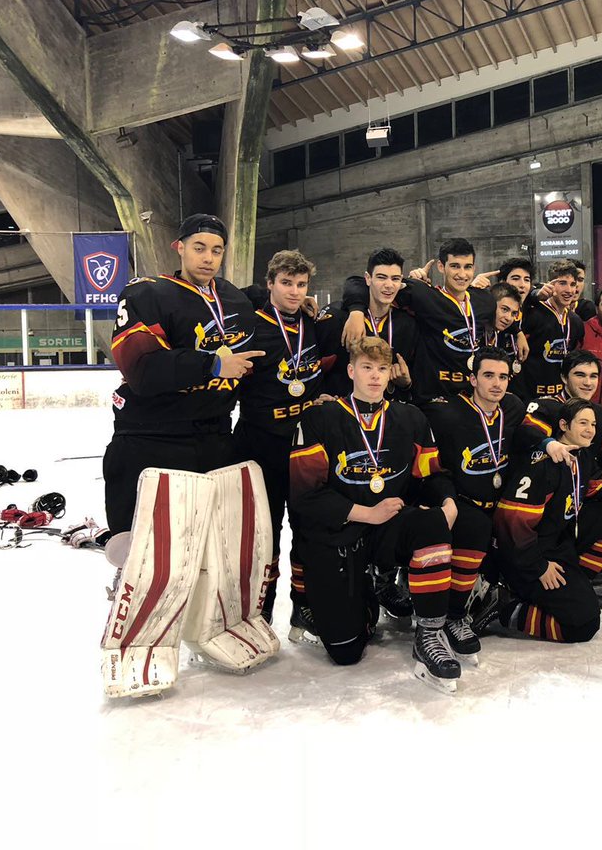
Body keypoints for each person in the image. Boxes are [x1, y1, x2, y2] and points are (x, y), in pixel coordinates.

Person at [288, 336, 466, 692]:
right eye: (366, 368)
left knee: (432, 522)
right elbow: (305, 495)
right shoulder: (320, 417)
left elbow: (430, 475)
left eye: (382, 369)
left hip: (388, 528)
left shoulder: (411, 417)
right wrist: (364, 512)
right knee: (346, 651)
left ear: (390, 375)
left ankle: (428, 634)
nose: (374, 376)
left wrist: (447, 501)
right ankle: (367, 596)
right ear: (351, 371)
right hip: (341, 535)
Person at [104, 213, 262, 537]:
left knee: (208, 548)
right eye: (199, 247)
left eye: (216, 250)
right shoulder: (147, 294)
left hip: (214, 437)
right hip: (151, 437)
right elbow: (141, 370)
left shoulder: (237, 299)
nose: (208, 258)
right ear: (179, 247)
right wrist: (212, 365)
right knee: (144, 549)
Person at [483, 399, 602, 642]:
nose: (590, 430)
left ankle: (574, 584)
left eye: (593, 424)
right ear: (563, 425)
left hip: (555, 546)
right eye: (583, 423)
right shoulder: (542, 464)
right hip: (524, 558)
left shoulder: (581, 456)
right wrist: (538, 567)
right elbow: (511, 523)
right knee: (583, 625)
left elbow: (597, 487)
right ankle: (505, 605)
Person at [234, 250, 339, 622]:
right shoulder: (251, 321)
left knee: (307, 524)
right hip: (260, 440)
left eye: (301, 285)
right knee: (266, 529)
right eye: (286, 284)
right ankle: (258, 611)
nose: (295, 292)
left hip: (302, 442)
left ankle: (303, 606)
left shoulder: (313, 323)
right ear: (270, 284)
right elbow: (231, 295)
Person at [423, 347, 526, 650]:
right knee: (475, 528)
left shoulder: (514, 408)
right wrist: (446, 499)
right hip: (464, 504)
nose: (497, 383)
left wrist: (546, 443)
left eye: (503, 377)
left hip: (498, 503)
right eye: (489, 375)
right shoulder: (447, 413)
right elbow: (433, 467)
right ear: (473, 379)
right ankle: (453, 616)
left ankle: (489, 598)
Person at [342, 239, 494, 403]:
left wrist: (517, 331)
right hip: (436, 398)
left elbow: (505, 314)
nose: (462, 274)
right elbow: (360, 283)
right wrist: (356, 311)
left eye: (468, 267)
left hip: (473, 394)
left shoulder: (484, 299)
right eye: (455, 266)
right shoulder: (423, 294)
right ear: (441, 267)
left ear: (474, 268)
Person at [322, 248, 414, 401]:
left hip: (387, 411)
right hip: (343, 410)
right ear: (367, 278)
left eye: (395, 279)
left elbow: (412, 382)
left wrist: (406, 384)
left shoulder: (408, 324)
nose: (389, 285)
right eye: (381, 277)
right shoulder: (338, 318)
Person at [514, 259, 586, 399]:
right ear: (550, 284)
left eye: (572, 284)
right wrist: (535, 294)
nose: (569, 290)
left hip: (562, 397)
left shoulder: (576, 321)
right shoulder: (532, 313)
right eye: (562, 283)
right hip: (531, 395)